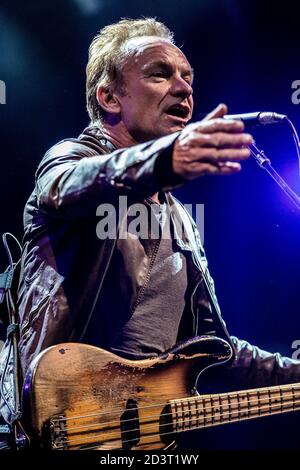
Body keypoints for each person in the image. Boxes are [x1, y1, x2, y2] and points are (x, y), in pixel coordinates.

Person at [1, 17, 300, 434]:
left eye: (188, 78)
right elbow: (67, 185)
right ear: (109, 96)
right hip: (53, 427)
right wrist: (162, 160)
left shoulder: (182, 222)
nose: (184, 89)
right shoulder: (71, 158)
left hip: (137, 441)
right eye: (160, 74)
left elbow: (220, 352)